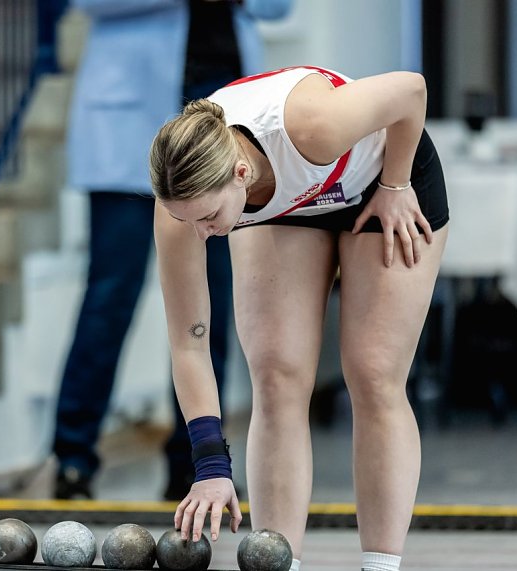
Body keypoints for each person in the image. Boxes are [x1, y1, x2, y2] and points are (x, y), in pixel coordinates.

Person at [149, 65, 449, 571]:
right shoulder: (184, 202)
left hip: (380, 176)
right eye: (186, 220)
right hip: (283, 205)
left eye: (207, 220)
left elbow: (412, 89)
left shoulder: (313, 124)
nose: (198, 234)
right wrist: (210, 465)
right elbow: (189, 343)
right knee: (276, 372)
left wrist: (396, 185)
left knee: (373, 372)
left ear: (240, 174)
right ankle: (278, 562)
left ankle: (380, 565)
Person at [52, 0, 293, 501]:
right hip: (131, 123)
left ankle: (198, 462)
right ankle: (73, 457)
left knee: (217, 306)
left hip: (221, 116)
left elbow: (278, 8)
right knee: (110, 296)